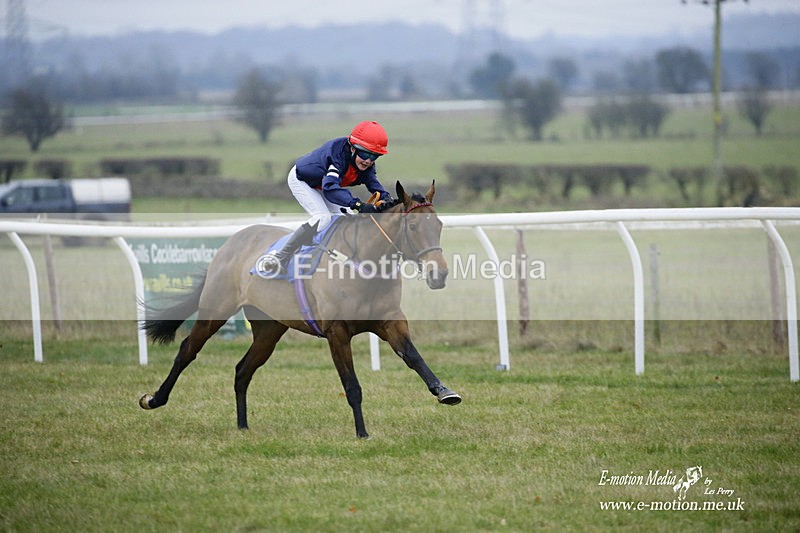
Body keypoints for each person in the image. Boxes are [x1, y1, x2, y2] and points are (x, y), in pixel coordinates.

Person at [256, 120, 392, 276]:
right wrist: (358, 204)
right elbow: (329, 189)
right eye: (365, 154)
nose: (368, 160)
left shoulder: (366, 163)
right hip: (303, 180)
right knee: (323, 218)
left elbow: (373, 183)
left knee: (346, 219)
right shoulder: (338, 155)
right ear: (353, 148)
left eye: (374, 155)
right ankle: (280, 257)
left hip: (324, 184)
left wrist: (387, 198)